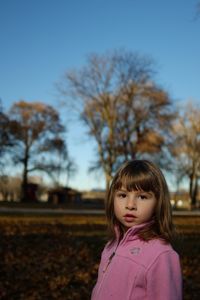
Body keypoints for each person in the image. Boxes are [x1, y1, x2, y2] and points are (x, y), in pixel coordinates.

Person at [91, 159, 182, 300]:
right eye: (122, 195)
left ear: (158, 203)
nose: (130, 205)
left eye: (142, 197)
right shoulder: (112, 245)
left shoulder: (161, 255)